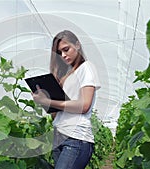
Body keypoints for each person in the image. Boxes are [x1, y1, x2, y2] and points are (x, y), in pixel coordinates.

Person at [32, 30, 101, 169]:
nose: (63, 55)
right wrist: (44, 100)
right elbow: (56, 115)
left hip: (76, 139)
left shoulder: (86, 68)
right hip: (59, 137)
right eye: (59, 53)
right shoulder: (65, 76)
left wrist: (49, 102)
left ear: (77, 45)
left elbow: (85, 105)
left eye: (66, 49)